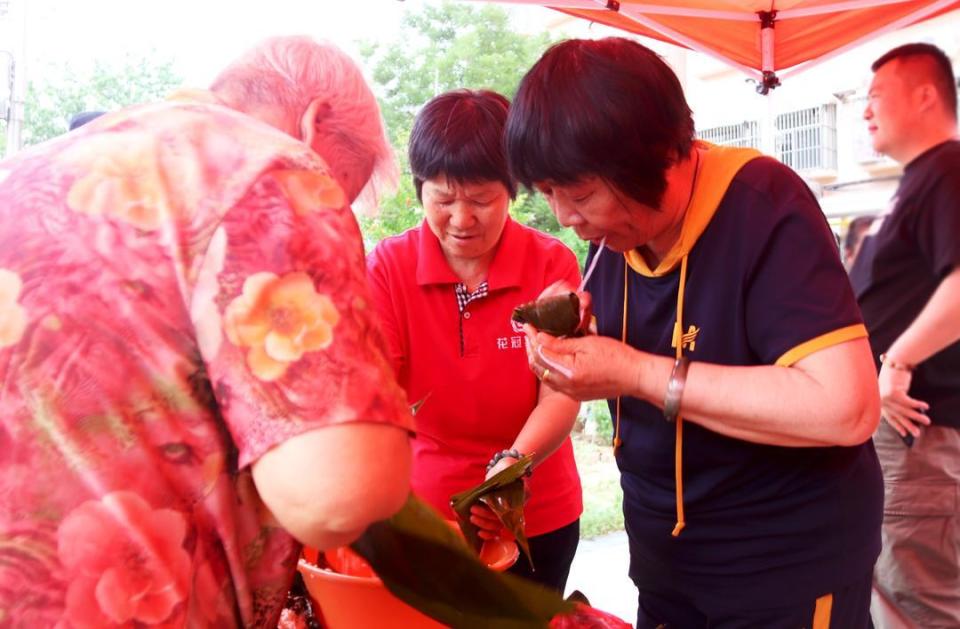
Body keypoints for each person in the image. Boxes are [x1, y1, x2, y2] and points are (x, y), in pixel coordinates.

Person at [0, 37, 413, 627]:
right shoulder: (271, 165)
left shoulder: (27, 171)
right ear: (314, 123)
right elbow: (338, 494)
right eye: (340, 193)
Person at [505, 38, 883, 628]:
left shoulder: (763, 205)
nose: (564, 218)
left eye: (578, 193)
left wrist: (633, 371)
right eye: (549, 194)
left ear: (655, 155)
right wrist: (574, 346)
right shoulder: (614, 239)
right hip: (665, 565)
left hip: (783, 570)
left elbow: (846, 407)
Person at [366, 89, 583, 592]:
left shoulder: (551, 265)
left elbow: (562, 391)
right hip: (425, 519)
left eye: (482, 200)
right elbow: (378, 397)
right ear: (419, 190)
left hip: (536, 510)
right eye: (443, 199)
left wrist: (512, 468)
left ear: (512, 190)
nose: (461, 220)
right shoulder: (388, 268)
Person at [852, 42, 960, 628]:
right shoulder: (920, 180)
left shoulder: (948, 168)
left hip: (917, 427)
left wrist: (894, 361)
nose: (865, 110)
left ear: (925, 95)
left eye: (875, 97)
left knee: (921, 599)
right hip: (899, 430)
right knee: (898, 593)